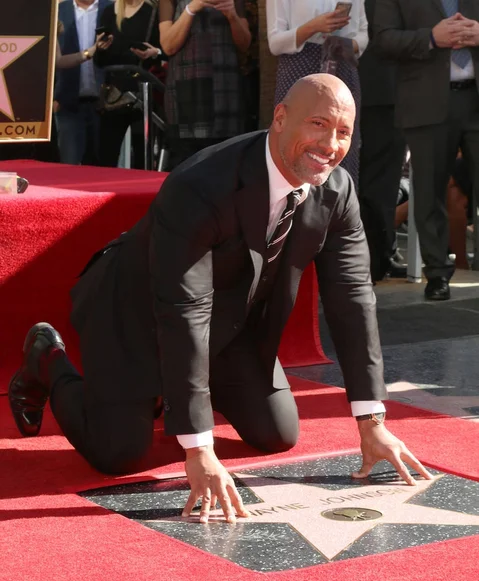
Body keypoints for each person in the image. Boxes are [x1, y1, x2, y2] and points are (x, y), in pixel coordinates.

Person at [9, 74, 432, 525]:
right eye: (318, 123)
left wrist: (373, 422)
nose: (330, 144)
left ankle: (169, 394)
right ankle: (47, 358)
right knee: (119, 453)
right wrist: (199, 447)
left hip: (230, 326)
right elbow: (183, 309)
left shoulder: (337, 190)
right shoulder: (201, 184)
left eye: (343, 132)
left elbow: (352, 297)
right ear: (281, 117)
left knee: (278, 434)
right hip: (136, 314)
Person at [374, 0, 479, 300]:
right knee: (429, 189)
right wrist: (431, 37)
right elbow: (383, 39)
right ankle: (436, 273)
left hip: (476, 99)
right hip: (425, 103)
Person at [266, 0, 368, 189]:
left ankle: (337, 211)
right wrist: (314, 26)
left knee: (340, 143)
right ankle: (288, 210)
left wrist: (346, 43)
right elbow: (275, 42)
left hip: (343, 66)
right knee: (296, 144)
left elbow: (363, 36)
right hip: (300, 68)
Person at [159, 0, 251, 169]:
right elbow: (168, 45)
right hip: (187, 93)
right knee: (185, 167)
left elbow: (244, 44)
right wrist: (191, 8)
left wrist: (231, 15)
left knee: (227, 167)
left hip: (226, 92)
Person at [358, 0, 406, 283]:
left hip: (369, 86)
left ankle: (380, 252)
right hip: (381, 89)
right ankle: (377, 257)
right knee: (379, 182)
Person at [93, 0, 163, 169]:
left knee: (142, 155)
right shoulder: (110, 11)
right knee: (106, 155)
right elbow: (99, 61)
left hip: (144, 93)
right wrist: (100, 48)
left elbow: (164, 50)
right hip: (115, 94)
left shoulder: (152, 11)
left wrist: (155, 53)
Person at [55, 0, 111, 166]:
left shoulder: (110, 9)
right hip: (68, 104)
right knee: (69, 168)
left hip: (105, 105)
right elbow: (51, 59)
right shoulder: (58, 12)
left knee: (103, 169)